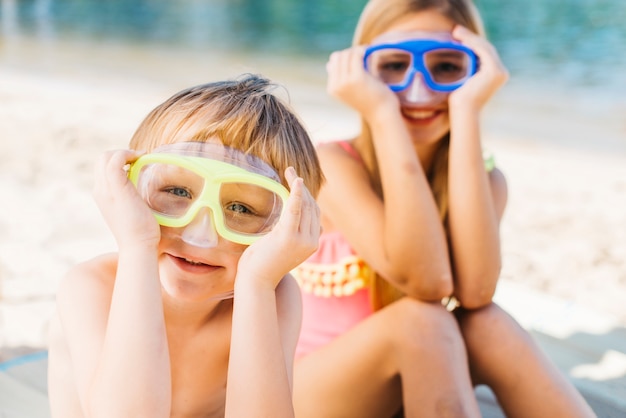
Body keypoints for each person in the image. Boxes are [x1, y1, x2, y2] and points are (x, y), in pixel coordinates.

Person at [292, 0, 595, 417]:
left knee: (487, 325)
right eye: (394, 66)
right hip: (312, 393)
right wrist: (381, 113)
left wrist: (468, 112)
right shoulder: (332, 165)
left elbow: (475, 293)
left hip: (418, 377)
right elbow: (426, 282)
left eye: (448, 68)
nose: (419, 90)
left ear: (478, 73)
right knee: (425, 321)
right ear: (361, 72)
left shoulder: (486, 182)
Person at [47, 74, 324, 418]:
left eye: (240, 209)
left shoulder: (273, 294)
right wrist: (138, 245)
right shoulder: (90, 286)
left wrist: (256, 285)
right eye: (178, 192)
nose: (200, 235)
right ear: (130, 188)